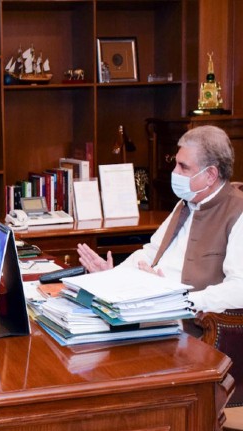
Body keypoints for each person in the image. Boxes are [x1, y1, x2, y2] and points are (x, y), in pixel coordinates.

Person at [77, 125, 243, 315]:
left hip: (191, 322)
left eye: (184, 167)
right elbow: (151, 252)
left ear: (210, 175)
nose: (175, 172)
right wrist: (112, 276)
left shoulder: (238, 211)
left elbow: (239, 287)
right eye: (176, 163)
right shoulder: (185, 203)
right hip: (154, 310)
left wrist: (179, 299)